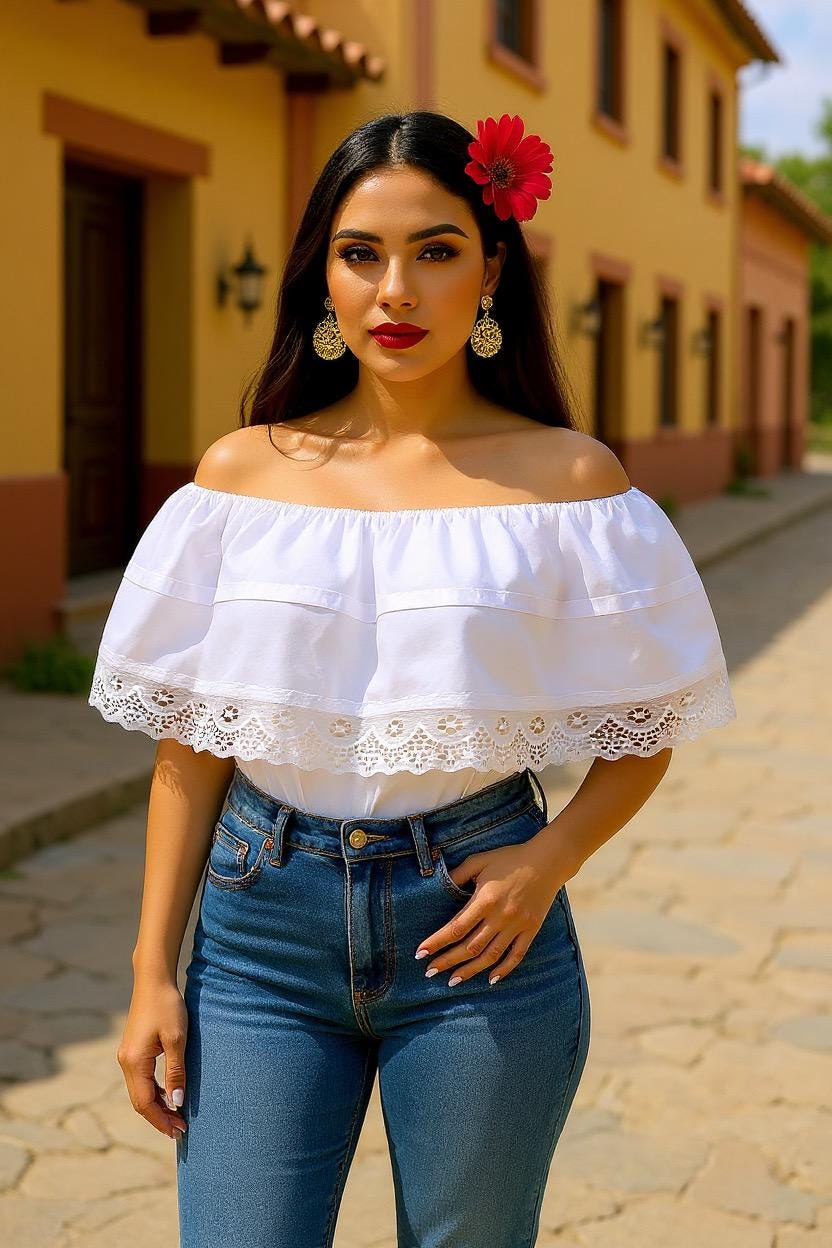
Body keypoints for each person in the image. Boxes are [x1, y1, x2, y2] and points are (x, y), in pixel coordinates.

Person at [88, 110, 737, 1248]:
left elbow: (644, 727)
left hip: (478, 937)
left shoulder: (568, 483)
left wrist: (548, 859)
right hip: (257, 937)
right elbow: (190, 751)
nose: (396, 289)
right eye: (360, 253)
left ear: (490, 270)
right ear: (322, 280)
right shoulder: (242, 479)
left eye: (435, 251)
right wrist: (151, 974)